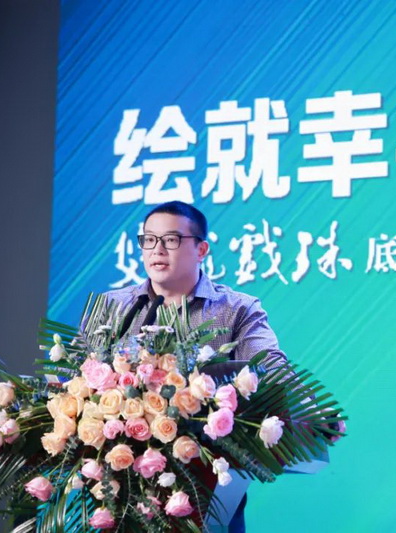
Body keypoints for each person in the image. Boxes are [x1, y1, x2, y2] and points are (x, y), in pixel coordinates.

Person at [103, 200, 285, 532]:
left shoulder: (236, 310)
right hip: (121, 489)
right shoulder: (114, 307)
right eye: (149, 239)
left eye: (171, 240)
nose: (157, 249)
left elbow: (271, 371)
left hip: (207, 491)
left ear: (201, 250)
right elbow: (78, 375)